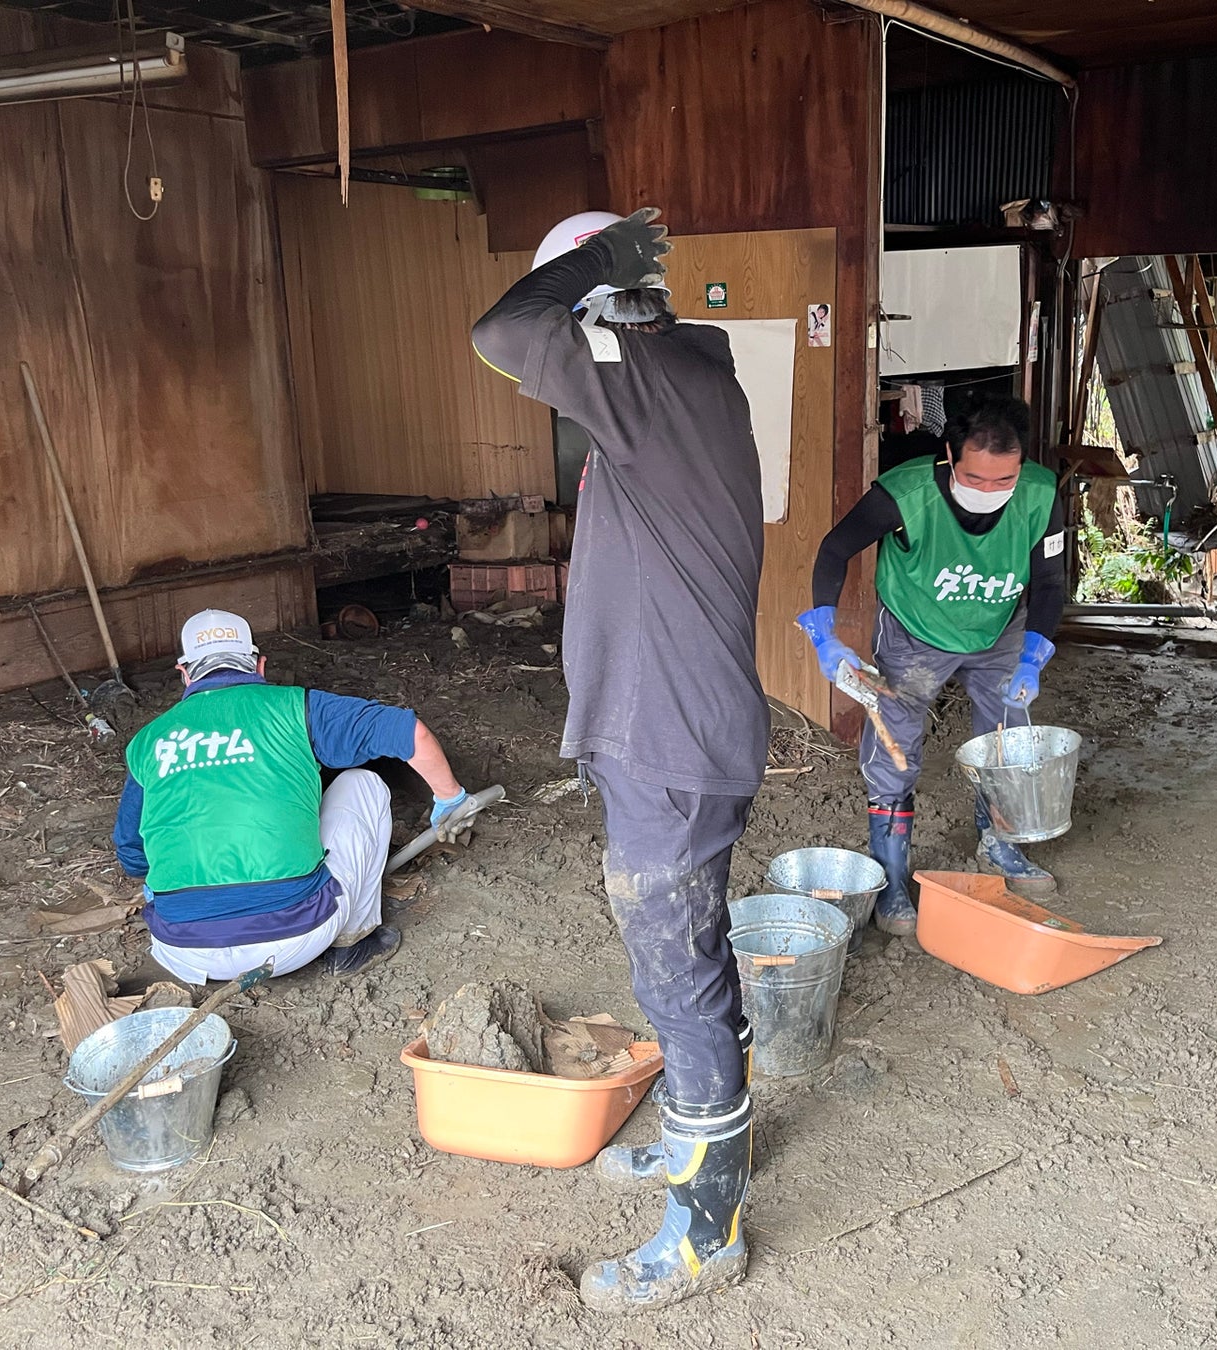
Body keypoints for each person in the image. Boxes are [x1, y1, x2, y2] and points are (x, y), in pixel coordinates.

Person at [471, 208, 768, 1312]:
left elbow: (505, 330)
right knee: (693, 954)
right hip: (672, 729)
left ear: (601, 312)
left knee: (674, 975)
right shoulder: (682, 383)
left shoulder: (649, 380)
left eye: (577, 307)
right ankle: (710, 1145)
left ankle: (706, 1226)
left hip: (669, 740)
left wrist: (590, 267)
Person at [798, 396, 1065, 936]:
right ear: (948, 455)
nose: (990, 491)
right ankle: (893, 877)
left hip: (998, 634)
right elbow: (833, 549)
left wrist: (1034, 654)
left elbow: (1053, 582)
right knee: (895, 755)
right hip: (916, 638)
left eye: (1003, 480)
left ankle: (1001, 847)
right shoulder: (906, 494)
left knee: (1006, 746)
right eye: (975, 477)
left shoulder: (1039, 493)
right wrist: (824, 635)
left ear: (1021, 466)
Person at [112, 610, 482, 983]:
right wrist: (450, 797)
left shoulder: (148, 741)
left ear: (185, 673)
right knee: (363, 784)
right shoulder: (298, 709)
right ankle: (351, 946)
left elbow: (131, 853)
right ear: (259, 665)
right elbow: (410, 733)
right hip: (293, 938)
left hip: (182, 952)